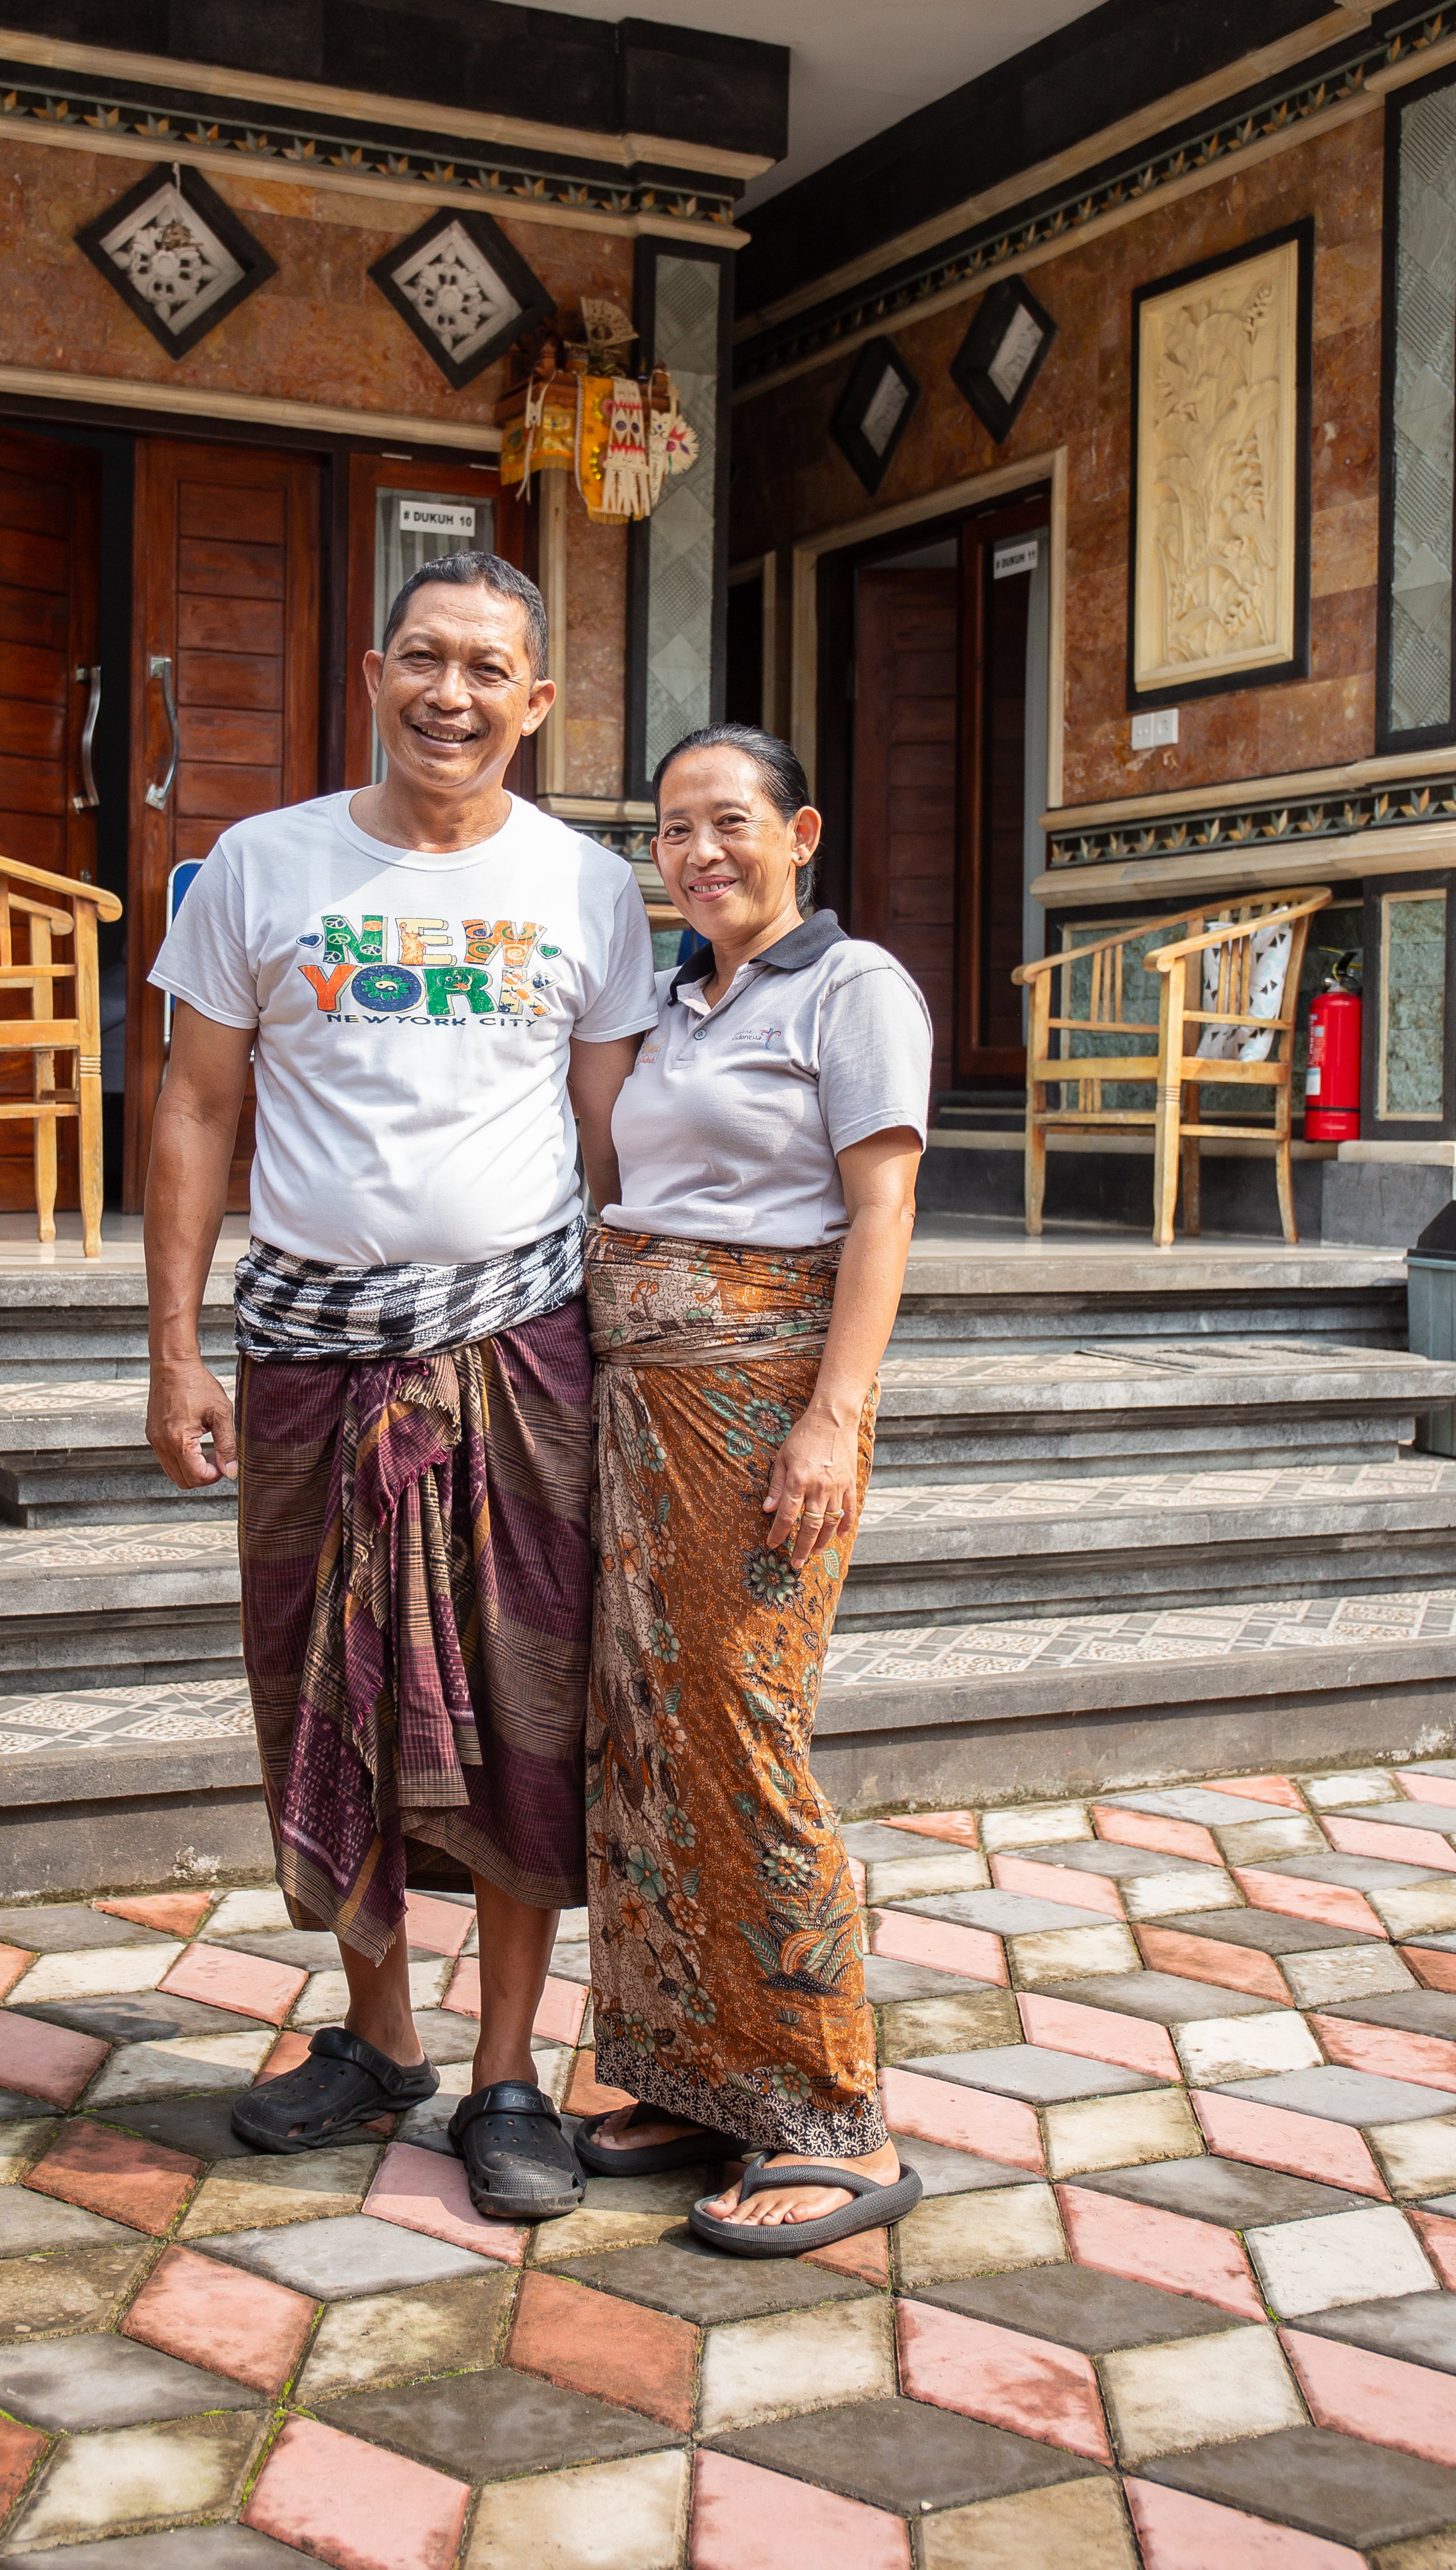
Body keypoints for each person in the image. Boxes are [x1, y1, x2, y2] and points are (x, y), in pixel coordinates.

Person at [143, 550, 654, 2223]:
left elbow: (612, 1144)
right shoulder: (261, 870)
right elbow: (198, 1113)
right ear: (371, 672)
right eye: (424, 660)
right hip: (305, 1351)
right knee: (323, 1693)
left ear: (536, 700)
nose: (454, 695)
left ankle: (510, 2067)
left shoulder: (590, 890)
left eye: (488, 669)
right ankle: (378, 2038)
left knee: (524, 1706)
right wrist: (172, 1346)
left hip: (524, 1355)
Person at [574, 723, 930, 2254]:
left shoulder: (856, 989)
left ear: (802, 830)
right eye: (672, 831)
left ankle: (831, 2112)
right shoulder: (670, 1003)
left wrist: (833, 1419)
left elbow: (884, 1207)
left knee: (748, 1735)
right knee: (650, 1738)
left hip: (764, 1409)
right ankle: (695, 2071)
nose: (700, 854)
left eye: (730, 824)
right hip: (636, 1413)